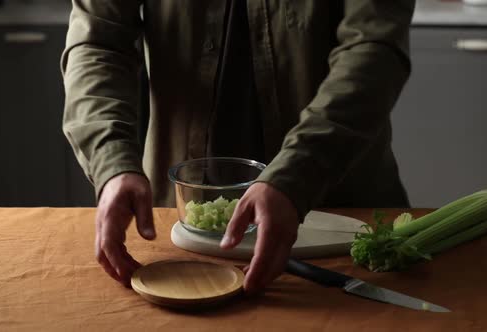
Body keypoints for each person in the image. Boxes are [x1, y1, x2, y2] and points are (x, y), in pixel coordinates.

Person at [61, 0, 415, 293]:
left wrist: (295, 175)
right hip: (180, 229)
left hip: (340, 220)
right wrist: (113, 161)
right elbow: (98, 40)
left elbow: (374, 47)